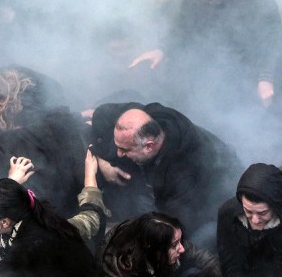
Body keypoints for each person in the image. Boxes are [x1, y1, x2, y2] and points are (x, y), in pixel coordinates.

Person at [129, 0, 282, 117]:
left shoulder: (261, 6)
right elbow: (182, 27)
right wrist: (161, 49)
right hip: (197, 80)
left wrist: (266, 79)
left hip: (237, 86)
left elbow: (274, 47)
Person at [89, 102, 241, 239]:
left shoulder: (182, 172)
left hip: (212, 197)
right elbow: (102, 113)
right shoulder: (147, 115)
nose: (119, 154)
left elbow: (174, 227)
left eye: (124, 149)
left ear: (149, 146)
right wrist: (101, 160)